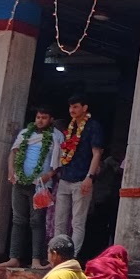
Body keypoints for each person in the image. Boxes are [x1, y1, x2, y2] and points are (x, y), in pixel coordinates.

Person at [0, 106, 61, 269]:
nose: (40, 120)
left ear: (51, 120)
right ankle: (14, 257)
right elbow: (13, 153)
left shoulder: (56, 136)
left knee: (37, 221)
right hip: (20, 183)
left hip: (40, 186)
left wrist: (48, 176)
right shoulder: (25, 133)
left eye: (44, 117)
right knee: (18, 220)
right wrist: (11, 171)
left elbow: (60, 161)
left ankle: (36, 260)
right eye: (38, 117)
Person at [50, 95, 105, 256]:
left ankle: (71, 258)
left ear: (85, 108)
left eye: (75, 107)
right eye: (70, 107)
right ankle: (56, 256)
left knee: (77, 222)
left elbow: (97, 153)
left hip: (82, 179)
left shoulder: (93, 126)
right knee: (59, 221)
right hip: (65, 178)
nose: (72, 110)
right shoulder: (71, 126)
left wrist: (90, 177)